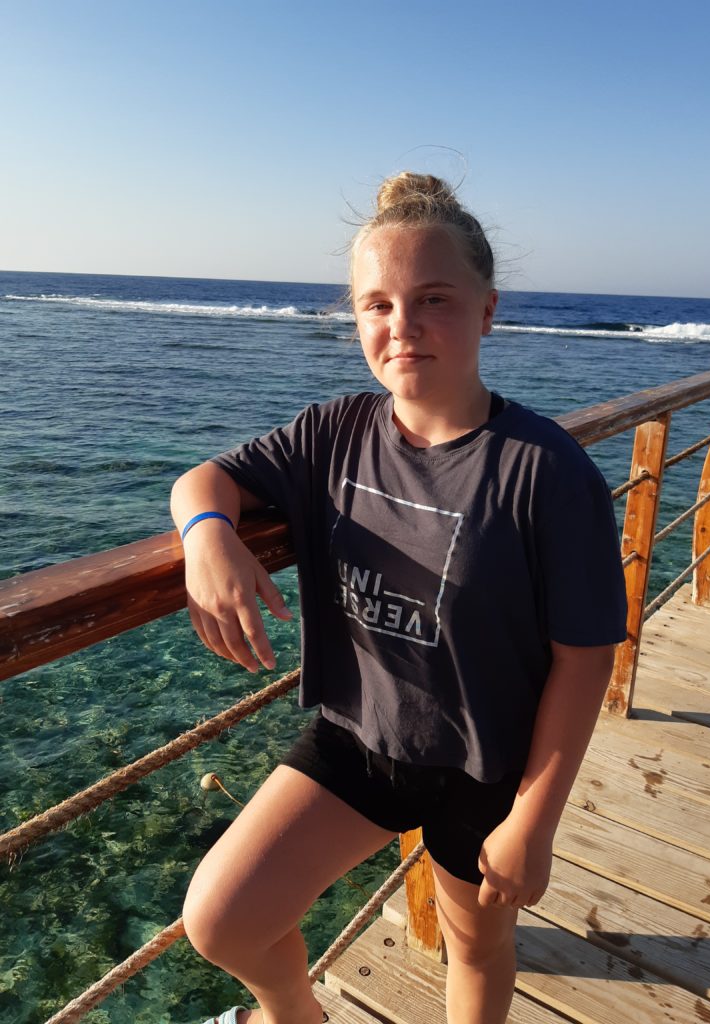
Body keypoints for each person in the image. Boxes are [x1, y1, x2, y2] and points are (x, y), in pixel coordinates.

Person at [171, 172, 628, 1024]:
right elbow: (206, 479)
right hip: (361, 737)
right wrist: (207, 537)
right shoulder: (332, 432)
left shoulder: (546, 471)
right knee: (222, 919)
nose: (402, 325)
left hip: (488, 766)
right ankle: (294, 1014)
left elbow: (585, 658)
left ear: (487, 310)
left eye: (433, 300)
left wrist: (534, 821)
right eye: (376, 304)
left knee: (475, 947)